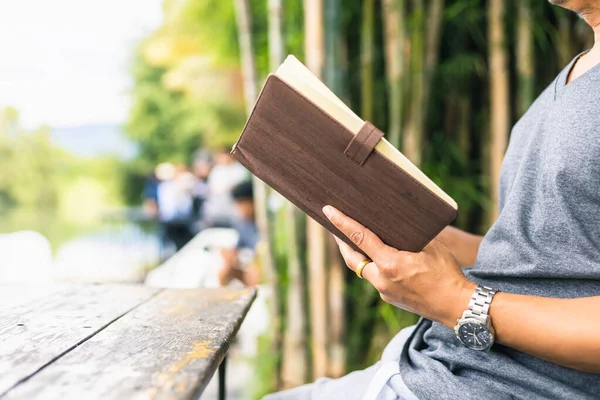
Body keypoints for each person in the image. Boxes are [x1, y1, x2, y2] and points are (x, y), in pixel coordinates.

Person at [265, 1, 600, 399]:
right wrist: (416, 236)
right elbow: (545, 263)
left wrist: (455, 300)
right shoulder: (572, 76)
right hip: (426, 364)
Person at [218, 180, 260, 287]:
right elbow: (239, 249)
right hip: (249, 266)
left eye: (242, 203)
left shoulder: (269, 223)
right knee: (225, 270)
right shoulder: (243, 225)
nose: (240, 209)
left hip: (261, 267)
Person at [204, 147, 248, 227]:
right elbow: (213, 189)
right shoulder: (216, 171)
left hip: (235, 207)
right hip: (219, 208)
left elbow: (239, 186)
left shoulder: (238, 169)